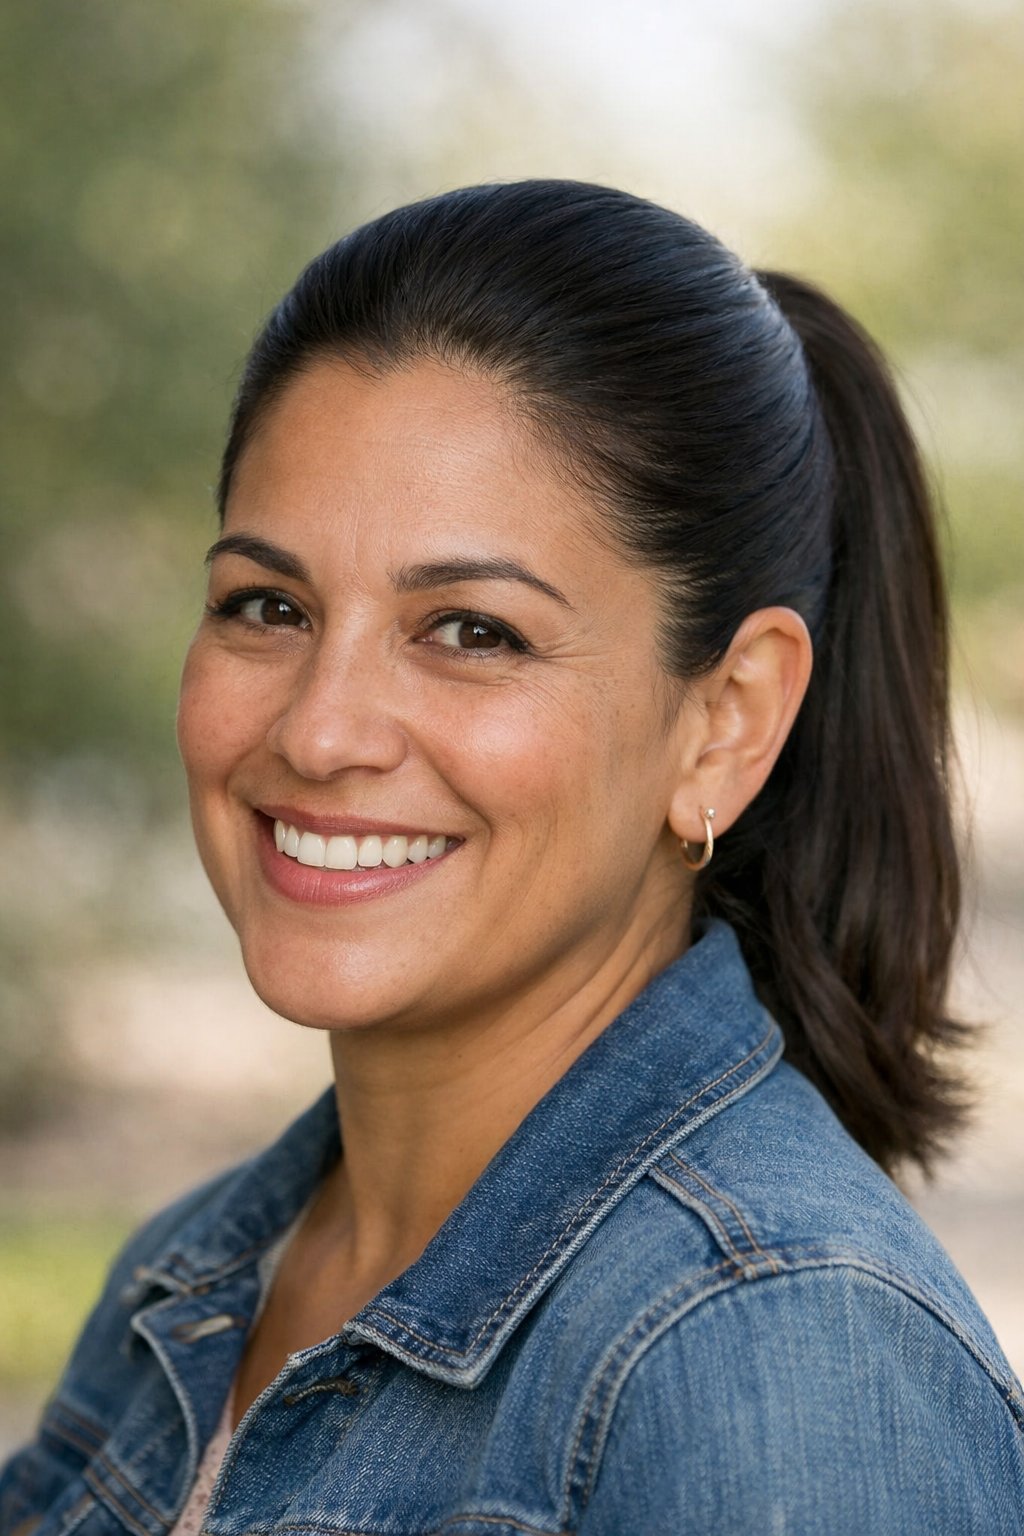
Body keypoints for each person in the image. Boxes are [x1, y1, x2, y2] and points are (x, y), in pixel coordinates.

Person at [3, 180, 1022, 1536]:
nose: (319, 730)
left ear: (725, 723)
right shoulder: (187, 1287)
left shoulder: (781, 1365)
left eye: (471, 630)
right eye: (268, 605)